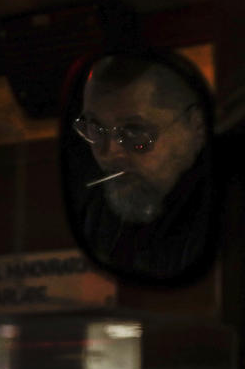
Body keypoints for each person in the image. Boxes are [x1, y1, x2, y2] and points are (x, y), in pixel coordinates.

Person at [68, 51, 213, 278]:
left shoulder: (218, 215)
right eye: (95, 129)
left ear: (196, 127)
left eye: (134, 131)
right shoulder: (96, 213)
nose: (109, 153)